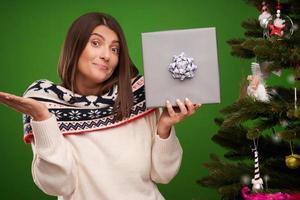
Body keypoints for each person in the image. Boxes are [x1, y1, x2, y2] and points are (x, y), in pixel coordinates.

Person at [0, 12, 200, 200]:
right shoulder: (46, 102)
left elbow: (163, 174)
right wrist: (43, 119)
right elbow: (59, 185)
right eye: (96, 43)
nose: (107, 55)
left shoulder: (137, 96)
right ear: (74, 47)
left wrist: (164, 126)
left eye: (115, 49)